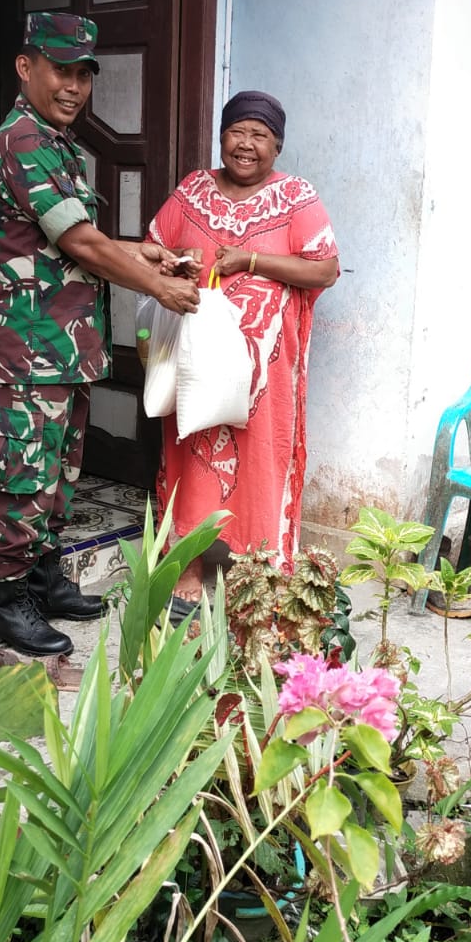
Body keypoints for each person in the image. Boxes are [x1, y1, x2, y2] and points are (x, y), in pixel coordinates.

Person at [0, 11, 200, 662]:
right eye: (60, 70)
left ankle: (42, 580)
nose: (73, 86)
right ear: (26, 67)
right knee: (23, 472)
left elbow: (77, 240)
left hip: (62, 343)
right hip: (25, 344)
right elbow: (80, 242)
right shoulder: (22, 142)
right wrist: (156, 286)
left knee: (58, 470)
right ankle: (8, 602)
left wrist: (144, 255)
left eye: (82, 75)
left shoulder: (59, 144)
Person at [146, 91, 339, 608]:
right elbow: (154, 247)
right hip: (197, 359)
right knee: (191, 449)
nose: (246, 145)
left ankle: (260, 567)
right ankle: (187, 560)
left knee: (260, 458)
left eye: (260, 136)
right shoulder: (193, 190)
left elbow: (324, 269)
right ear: (221, 136)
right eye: (237, 132)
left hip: (265, 374)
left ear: (277, 145)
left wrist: (250, 260)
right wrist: (173, 267)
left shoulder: (296, 197)